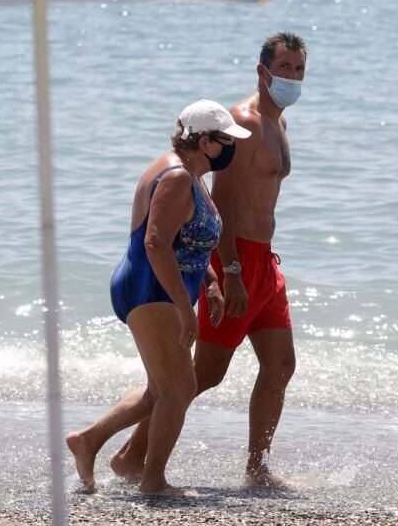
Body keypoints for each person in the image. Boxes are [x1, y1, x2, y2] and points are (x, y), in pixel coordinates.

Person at [112, 32, 307, 489]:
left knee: (280, 366)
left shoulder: (280, 124)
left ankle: (257, 470)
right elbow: (225, 203)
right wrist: (231, 273)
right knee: (201, 375)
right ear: (263, 72)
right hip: (236, 260)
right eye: (285, 69)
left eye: (299, 69)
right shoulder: (246, 123)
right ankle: (127, 453)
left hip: (265, 263)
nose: (294, 78)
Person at [66, 99, 250, 496]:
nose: (231, 149)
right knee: (179, 390)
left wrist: (213, 282)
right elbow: (156, 243)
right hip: (152, 287)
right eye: (225, 141)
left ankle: (89, 441)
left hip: (164, 288)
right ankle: (153, 482)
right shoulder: (177, 177)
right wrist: (186, 310)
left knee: (161, 388)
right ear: (204, 141)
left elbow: (193, 238)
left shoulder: (192, 175)